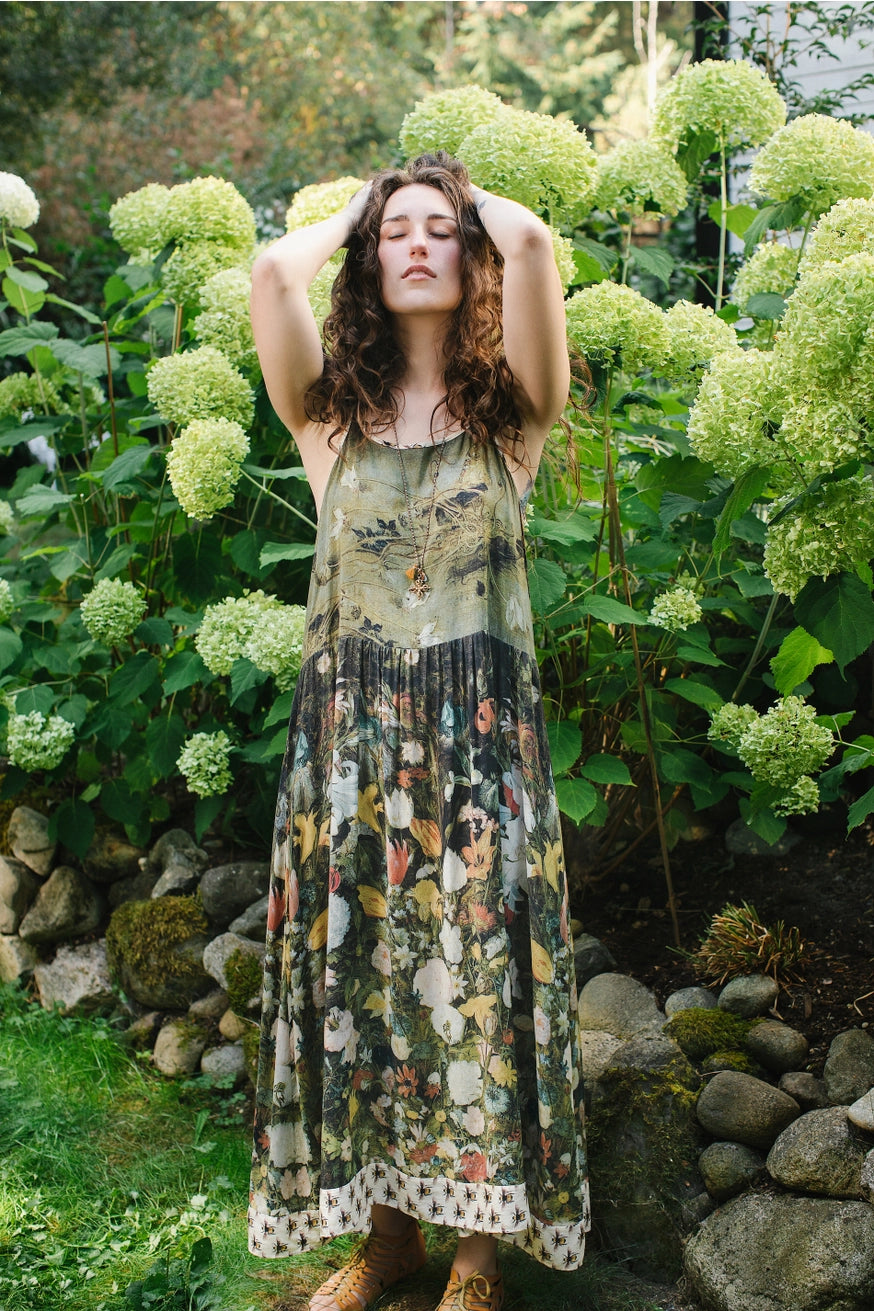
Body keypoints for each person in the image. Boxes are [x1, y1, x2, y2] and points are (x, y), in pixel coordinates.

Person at [247, 150, 589, 1311]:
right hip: (350, 755)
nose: (415, 244)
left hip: (481, 758)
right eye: (396, 233)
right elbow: (266, 273)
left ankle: (475, 1263)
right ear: (362, 258)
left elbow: (537, 248)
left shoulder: (512, 422)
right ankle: (382, 1241)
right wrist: (352, 209)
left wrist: (465, 203)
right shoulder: (328, 421)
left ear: (472, 249)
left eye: (439, 230)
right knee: (365, 986)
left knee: (477, 985)